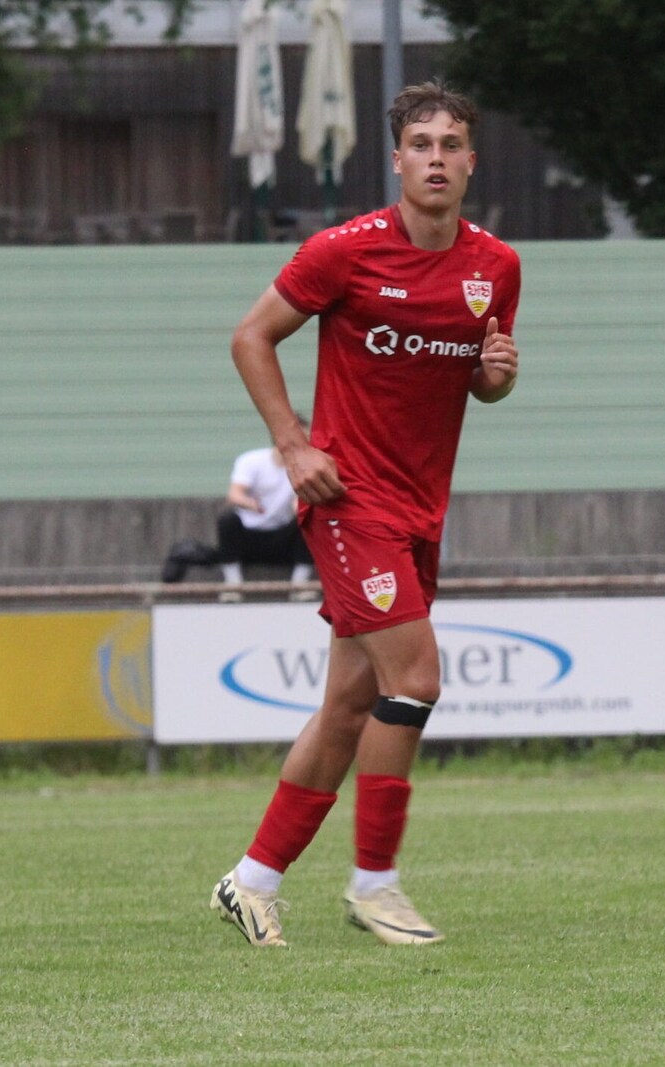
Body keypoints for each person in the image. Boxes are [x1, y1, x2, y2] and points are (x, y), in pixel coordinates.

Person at [210, 81, 520, 947]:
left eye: (451, 143)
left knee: (348, 706)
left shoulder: (495, 266)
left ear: (469, 160)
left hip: (422, 508)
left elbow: (482, 382)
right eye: (420, 142)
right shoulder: (343, 252)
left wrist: (498, 374)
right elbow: (250, 335)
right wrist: (293, 445)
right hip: (348, 502)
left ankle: (250, 881)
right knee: (415, 680)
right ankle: (375, 885)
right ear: (397, 159)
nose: (435, 157)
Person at [217, 414, 314, 589]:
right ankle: (233, 585)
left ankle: (300, 585)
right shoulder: (251, 461)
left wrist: (299, 507)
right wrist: (251, 504)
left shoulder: (304, 468)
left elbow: (299, 503)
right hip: (249, 534)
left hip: (282, 537)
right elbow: (234, 494)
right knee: (227, 521)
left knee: (308, 522)